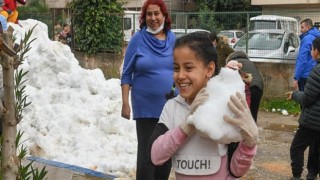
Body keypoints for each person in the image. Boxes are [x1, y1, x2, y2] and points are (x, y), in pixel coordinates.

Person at [147, 32, 258, 179]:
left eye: (188, 68)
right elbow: (155, 156)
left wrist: (249, 143)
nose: (180, 76)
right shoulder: (172, 107)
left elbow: (237, 171)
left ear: (209, 69)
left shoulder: (223, 104)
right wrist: (187, 126)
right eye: (176, 68)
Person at [120, 0, 176, 179]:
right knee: (147, 153)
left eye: (157, 14)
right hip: (145, 107)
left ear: (164, 16)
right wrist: (125, 103)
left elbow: (181, 68)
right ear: (144, 17)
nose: (153, 18)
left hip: (170, 107)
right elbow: (126, 73)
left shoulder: (172, 38)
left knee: (166, 152)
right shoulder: (138, 39)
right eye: (149, 14)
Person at [286, 37, 320, 180]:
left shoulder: (317, 71)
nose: (311, 52)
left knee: (297, 147)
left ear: (316, 51)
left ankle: (296, 176)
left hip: (313, 120)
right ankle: (312, 175)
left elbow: (307, 99)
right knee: (317, 148)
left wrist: (294, 94)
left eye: (312, 49)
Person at [226, 51, 264, 122]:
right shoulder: (250, 63)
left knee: (244, 114)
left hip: (248, 87)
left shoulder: (233, 64)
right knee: (253, 113)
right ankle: (253, 130)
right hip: (259, 86)